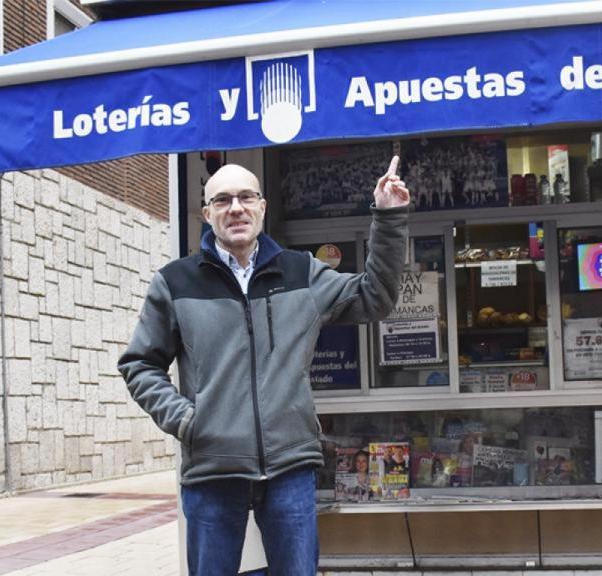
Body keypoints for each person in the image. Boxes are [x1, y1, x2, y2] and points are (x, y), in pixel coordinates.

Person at [118, 157, 410, 576]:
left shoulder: (301, 272)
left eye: (245, 197)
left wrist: (388, 217)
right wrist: (186, 421)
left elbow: (375, 297)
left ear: (262, 206)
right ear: (207, 214)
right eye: (222, 200)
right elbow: (140, 363)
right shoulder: (175, 282)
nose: (235, 208)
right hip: (213, 468)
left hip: (289, 466)